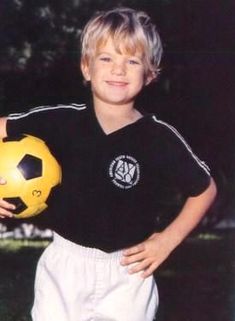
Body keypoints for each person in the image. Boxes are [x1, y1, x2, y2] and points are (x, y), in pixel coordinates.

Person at [0, 7, 216, 321]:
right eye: (106, 58)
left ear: (150, 73)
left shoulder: (160, 138)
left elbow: (205, 189)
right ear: (86, 67)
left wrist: (167, 241)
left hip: (129, 271)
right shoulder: (60, 121)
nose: (119, 70)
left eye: (132, 60)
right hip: (64, 265)